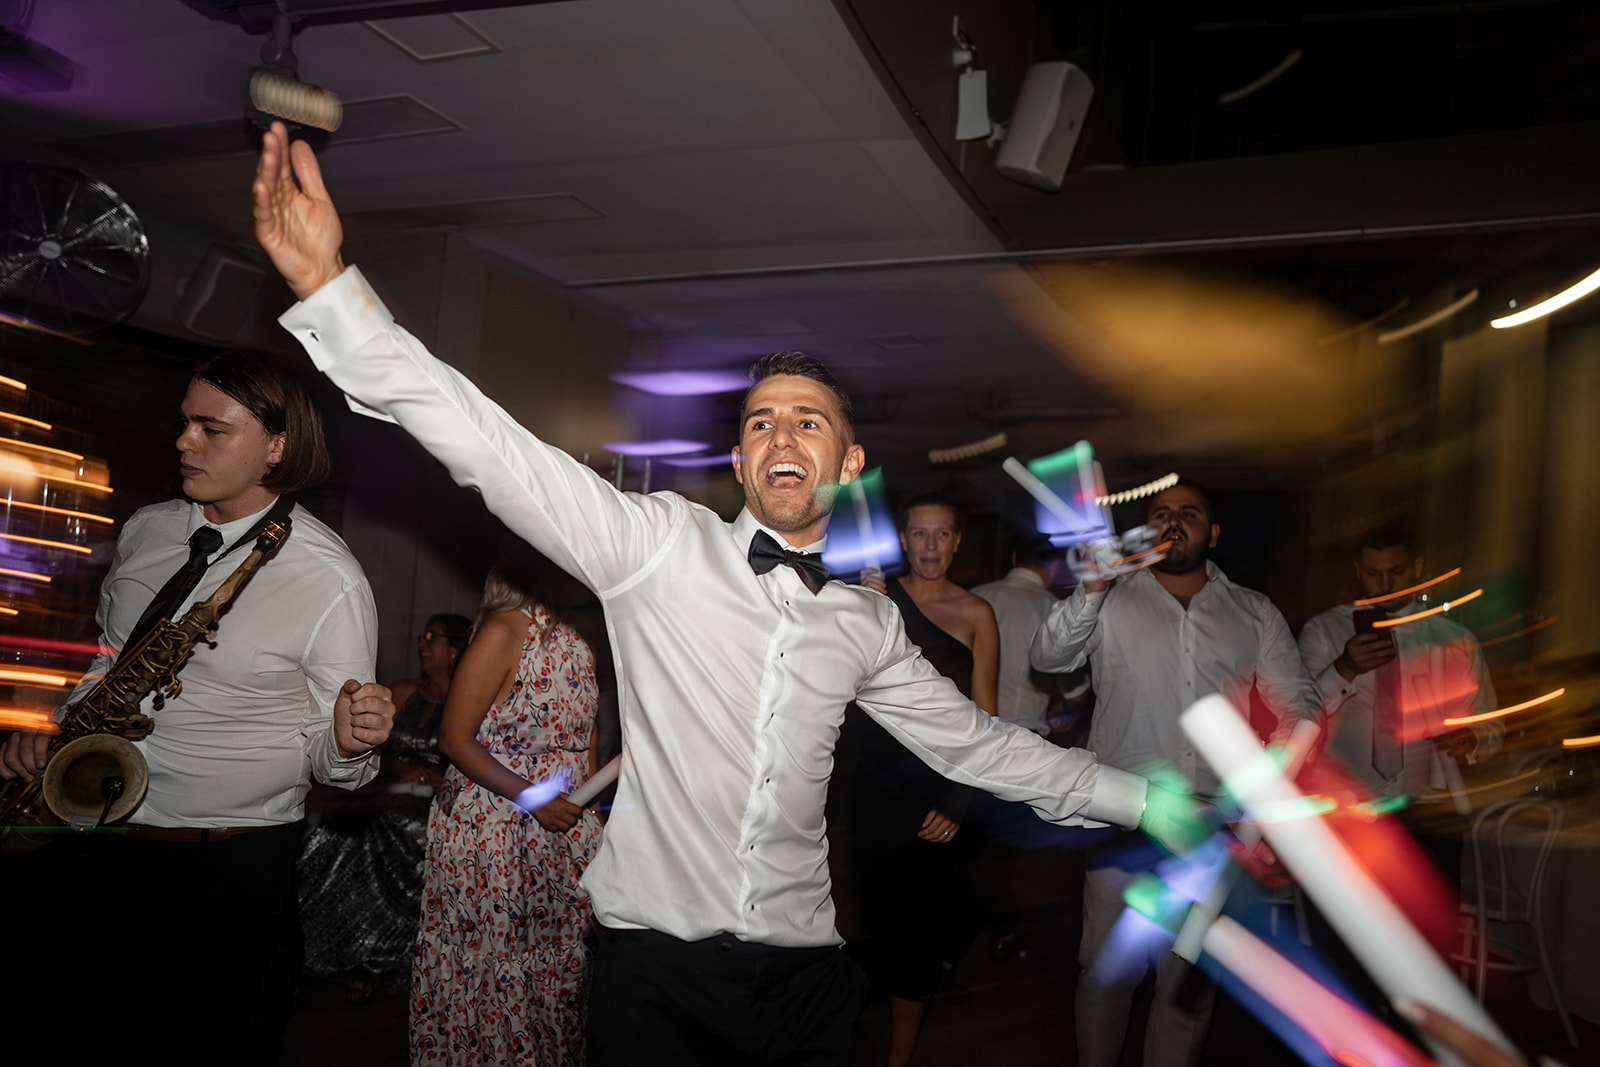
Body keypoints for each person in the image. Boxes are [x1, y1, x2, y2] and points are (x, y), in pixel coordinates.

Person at [253, 120, 1197, 1065]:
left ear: (849, 462)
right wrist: (331, 292)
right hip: (656, 976)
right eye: (761, 423)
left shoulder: (869, 621)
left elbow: (978, 745)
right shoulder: (657, 546)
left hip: (807, 975)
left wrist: (1142, 801)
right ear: (741, 460)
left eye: (810, 422)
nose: (783, 437)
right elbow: (494, 450)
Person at [0, 351, 394, 1067]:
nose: (183, 441)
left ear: (277, 447)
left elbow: (339, 767)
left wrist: (348, 742)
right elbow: (108, 657)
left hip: (219, 872)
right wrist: (58, 731)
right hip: (90, 836)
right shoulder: (148, 529)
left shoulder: (328, 578)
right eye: (185, 421)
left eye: (212, 429)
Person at [1030, 479, 1320, 1067]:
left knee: (1187, 982)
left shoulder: (1253, 611)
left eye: (1189, 512)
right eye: (1161, 511)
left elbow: (1301, 706)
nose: (1173, 520)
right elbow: (1047, 658)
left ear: (1212, 533)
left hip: (1214, 826)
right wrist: (1091, 589)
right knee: (1108, 971)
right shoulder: (1110, 597)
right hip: (1123, 816)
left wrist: (1264, 782)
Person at [411, 543, 603, 1066]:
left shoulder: (583, 632)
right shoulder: (504, 629)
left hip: (564, 826)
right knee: (498, 965)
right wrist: (536, 798)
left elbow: (584, 735)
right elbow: (454, 738)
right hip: (497, 827)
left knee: (560, 969)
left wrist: (593, 814)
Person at [848, 496, 999, 1067]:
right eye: (919, 533)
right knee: (871, 924)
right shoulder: (876, 596)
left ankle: (898, 1059)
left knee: (922, 934)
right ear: (903, 541)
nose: (930, 546)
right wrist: (868, 612)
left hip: (940, 794)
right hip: (873, 788)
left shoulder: (977, 613)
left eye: (942, 534)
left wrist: (960, 800)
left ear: (957, 542)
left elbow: (986, 721)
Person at [297, 612, 472, 1004]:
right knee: (331, 834)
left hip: (437, 805)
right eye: (422, 635)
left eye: (434, 637)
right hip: (391, 793)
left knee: (388, 832)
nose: (422, 643)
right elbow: (375, 751)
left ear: (455, 649)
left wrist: (438, 777)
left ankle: (389, 958)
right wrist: (402, 769)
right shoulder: (405, 691)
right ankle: (345, 952)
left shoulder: (468, 701)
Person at [1297, 522, 1498, 805]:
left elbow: (1489, 721)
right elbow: (1296, 713)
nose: (1385, 585)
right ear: (1358, 571)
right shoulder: (1325, 631)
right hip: (1343, 805)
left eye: (1396, 571)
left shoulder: (1455, 640)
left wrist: (1472, 739)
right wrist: (1345, 668)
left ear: (1417, 567)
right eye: (1373, 574)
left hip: (1427, 804)